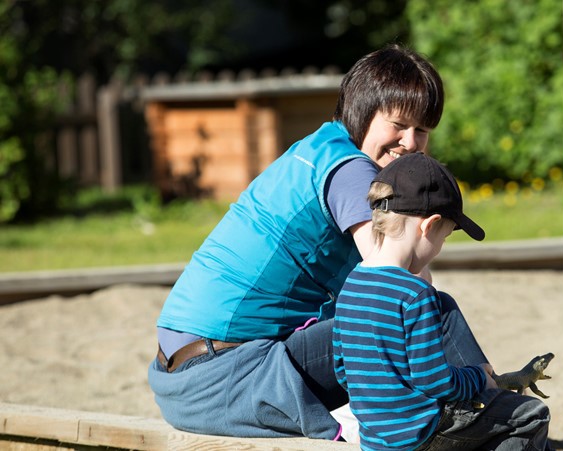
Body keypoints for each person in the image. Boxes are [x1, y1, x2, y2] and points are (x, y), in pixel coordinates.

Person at [148, 44, 492, 440]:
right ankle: (491, 404)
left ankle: (473, 406)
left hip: (181, 379)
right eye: (399, 124)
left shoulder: (319, 149)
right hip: (226, 380)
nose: (411, 142)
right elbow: (397, 283)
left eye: (423, 131)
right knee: (429, 308)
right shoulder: (351, 172)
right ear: (363, 113)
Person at [333, 153, 552, 451]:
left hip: (376, 441)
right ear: (429, 226)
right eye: (444, 238)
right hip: (421, 435)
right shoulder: (414, 292)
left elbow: (343, 371)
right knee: (532, 415)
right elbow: (434, 381)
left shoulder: (351, 286)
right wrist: (477, 378)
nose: (439, 249)